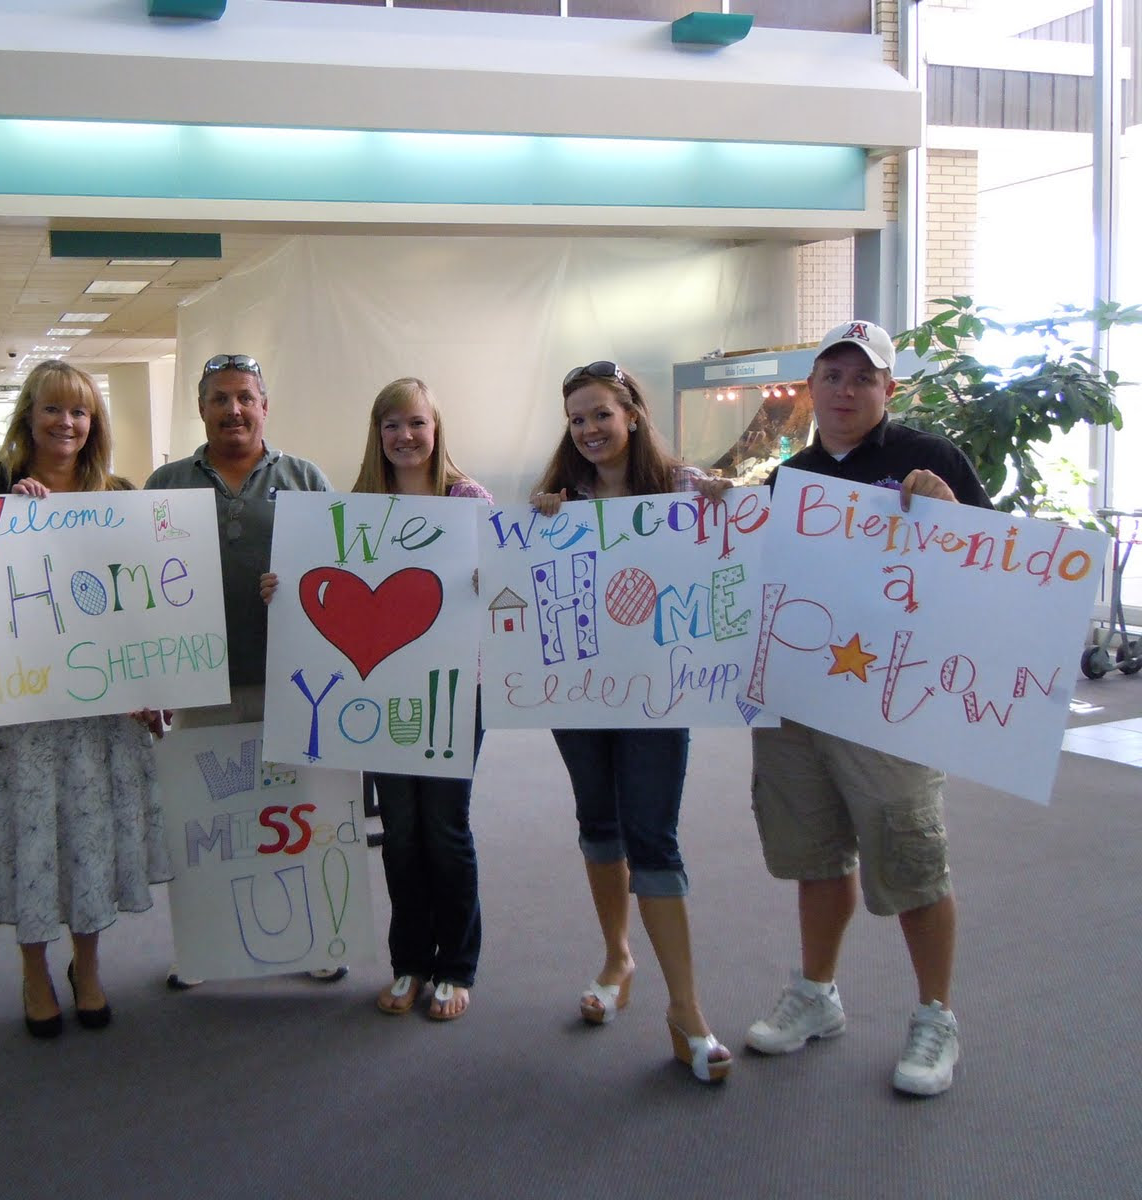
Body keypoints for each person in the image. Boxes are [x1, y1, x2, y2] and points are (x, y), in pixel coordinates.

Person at [743, 320, 991, 1097]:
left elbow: (997, 570)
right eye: (832, 377)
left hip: (892, 700)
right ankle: (816, 993)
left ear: (888, 389)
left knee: (909, 851)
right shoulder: (793, 478)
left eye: (863, 378)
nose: (846, 392)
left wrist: (950, 516)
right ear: (810, 389)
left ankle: (936, 1016)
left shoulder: (930, 459)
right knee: (814, 854)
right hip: (798, 695)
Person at [0, 360, 172, 1039]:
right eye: (52, 409)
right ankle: (34, 970)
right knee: (33, 833)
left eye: (79, 412)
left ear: (93, 423)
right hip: (22, 703)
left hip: (99, 706)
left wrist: (153, 680)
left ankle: (88, 965)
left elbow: (146, 597)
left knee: (89, 833)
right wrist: (1, 527)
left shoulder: (120, 493)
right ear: (28, 416)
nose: (66, 423)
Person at [262, 378, 490, 1021]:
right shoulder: (358, 503)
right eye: (392, 425)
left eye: (416, 423)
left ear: (436, 427)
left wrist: (491, 572)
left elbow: (508, 587)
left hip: (453, 693)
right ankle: (410, 962)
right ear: (377, 433)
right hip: (377, 695)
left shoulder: (467, 498)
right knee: (400, 832)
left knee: (445, 828)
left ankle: (456, 966)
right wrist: (283, 586)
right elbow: (326, 589)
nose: (405, 436)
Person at [531, 360, 730, 1083]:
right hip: (577, 691)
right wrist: (535, 524)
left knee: (653, 836)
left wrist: (722, 503)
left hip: (656, 695)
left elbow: (729, 560)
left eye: (600, 415)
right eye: (576, 418)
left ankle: (687, 1011)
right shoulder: (559, 499)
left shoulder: (680, 490)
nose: (588, 429)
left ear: (633, 415)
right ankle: (617, 959)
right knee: (598, 823)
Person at [144, 352, 344, 987]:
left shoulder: (305, 476)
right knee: (206, 820)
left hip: (293, 680)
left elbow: (341, 569)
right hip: (200, 682)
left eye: (245, 397)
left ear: (264, 406)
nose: (233, 409)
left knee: (296, 812)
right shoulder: (166, 483)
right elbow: (143, 585)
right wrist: (150, 679)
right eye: (219, 398)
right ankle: (205, 946)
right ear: (201, 409)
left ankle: (315, 940)